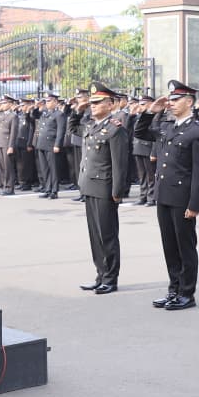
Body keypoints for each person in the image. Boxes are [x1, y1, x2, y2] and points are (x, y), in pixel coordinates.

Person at [134, 80, 199, 310]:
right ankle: (173, 288)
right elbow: (140, 132)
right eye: (171, 100)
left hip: (182, 197)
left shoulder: (197, 132)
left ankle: (187, 293)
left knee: (185, 245)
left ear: (189, 101)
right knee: (169, 245)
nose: (171, 104)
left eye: (176, 100)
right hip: (164, 194)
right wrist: (150, 111)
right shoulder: (168, 127)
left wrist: (195, 203)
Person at [69, 82, 130, 294]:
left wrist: (117, 192)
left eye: (98, 102)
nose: (93, 106)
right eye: (92, 103)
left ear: (111, 104)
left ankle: (110, 278)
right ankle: (100, 274)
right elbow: (73, 128)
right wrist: (77, 110)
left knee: (107, 235)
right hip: (89, 186)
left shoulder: (115, 129)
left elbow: (120, 164)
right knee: (95, 235)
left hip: (105, 188)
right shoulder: (91, 126)